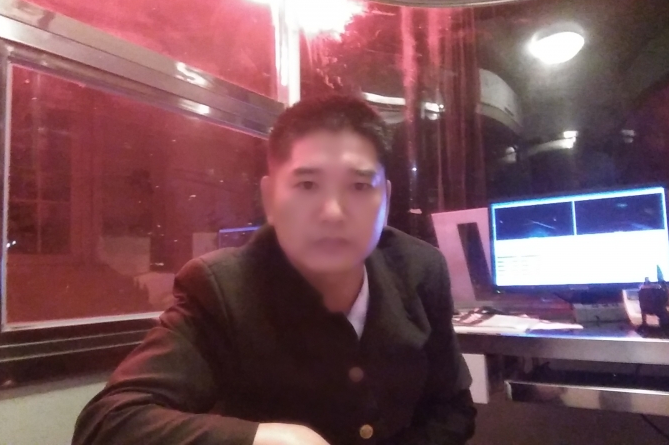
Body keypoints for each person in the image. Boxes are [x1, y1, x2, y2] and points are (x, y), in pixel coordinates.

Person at [72, 95, 476, 445]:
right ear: (270, 199)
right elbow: (109, 423)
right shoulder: (223, 288)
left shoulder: (421, 270)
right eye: (307, 186)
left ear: (385, 199)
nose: (333, 213)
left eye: (358, 186)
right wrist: (259, 439)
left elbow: (452, 408)